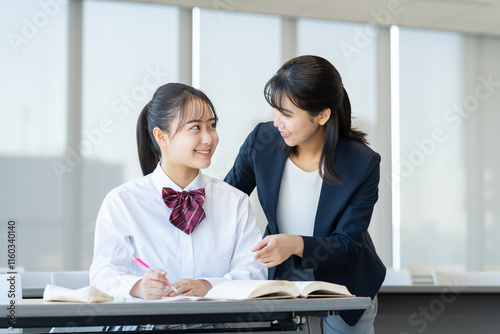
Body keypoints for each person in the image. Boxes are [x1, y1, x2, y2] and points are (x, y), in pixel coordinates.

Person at [225, 55, 386, 333]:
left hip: (344, 282)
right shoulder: (262, 142)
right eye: (274, 110)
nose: (276, 122)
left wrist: (294, 243)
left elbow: (347, 245)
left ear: (322, 115)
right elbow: (226, 203)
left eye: (287, 114)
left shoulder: (361, 163)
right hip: (282, 274)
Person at [90, 83, 267, 302]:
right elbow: (103, 274)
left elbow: (255, 271)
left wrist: (209, 285)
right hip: (147, 324)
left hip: (216, 325)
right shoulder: (123, 202)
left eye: (211, 126)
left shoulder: (234, 201)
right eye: (195, 127)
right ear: (161, 136)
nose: (208, 138)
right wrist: (138, 287)